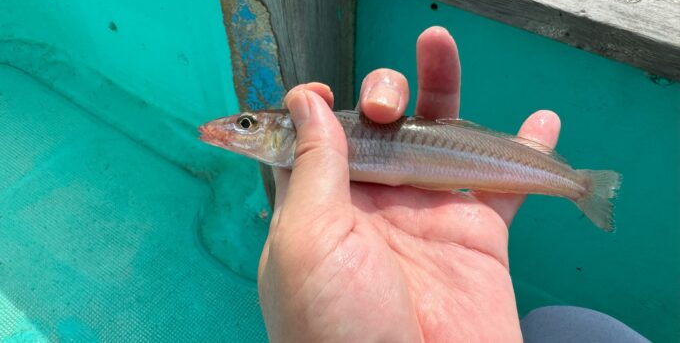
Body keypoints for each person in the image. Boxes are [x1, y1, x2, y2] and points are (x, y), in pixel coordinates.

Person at [257, 26, 648, 342]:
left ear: (295, 131)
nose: (237, 131)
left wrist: (577, 184)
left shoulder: (313, 136)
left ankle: (579, 185)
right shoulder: (315, 181)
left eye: (247, 125)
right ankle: (577, 185)